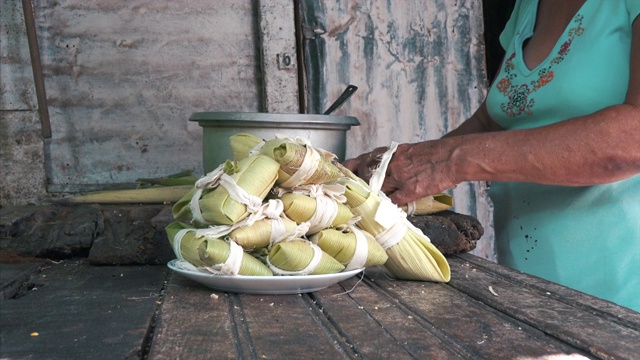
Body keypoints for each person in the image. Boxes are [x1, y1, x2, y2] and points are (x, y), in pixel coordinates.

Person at [344, 0, 640, 312]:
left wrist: (451, 160)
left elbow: (632, 138)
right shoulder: (530, 6)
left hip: (621, 297)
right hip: (533, 286)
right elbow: (492, 121)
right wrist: (400, 169)